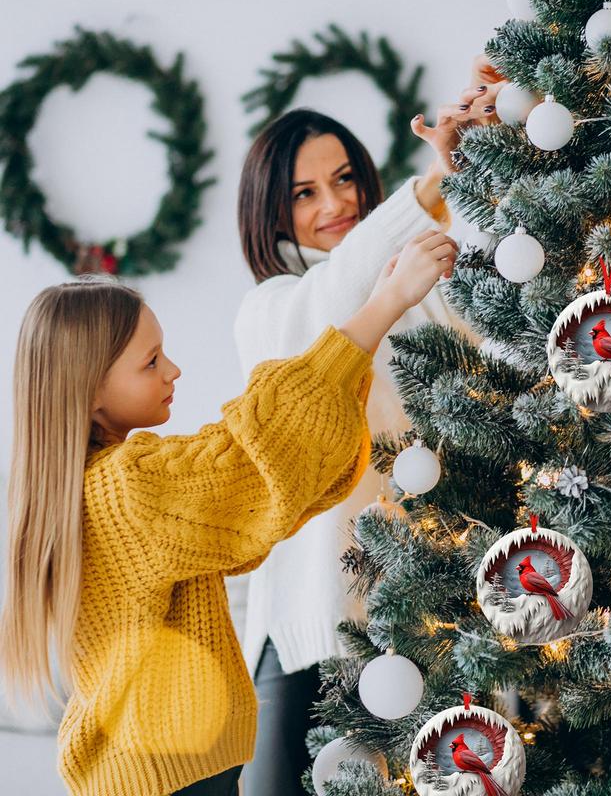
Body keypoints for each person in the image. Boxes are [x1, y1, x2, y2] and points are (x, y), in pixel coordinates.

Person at [0, 228, 456, 796]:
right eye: (150, 362)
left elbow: (256, 495)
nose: (173, 370)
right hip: (170, 776)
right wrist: (383, 306)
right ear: (90, 388)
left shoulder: (84, 486)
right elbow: (253, 455)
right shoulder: (129, 486)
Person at [235, 62, 503, 794]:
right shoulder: (273, 307)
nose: (336, 202)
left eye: (346, 178)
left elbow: (493, 330)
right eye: (305, 192)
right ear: (270, 211)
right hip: (312, 631)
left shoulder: (416, 289)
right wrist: (429, 186)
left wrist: (485, 156)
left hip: (430, 619)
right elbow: (340, 299)